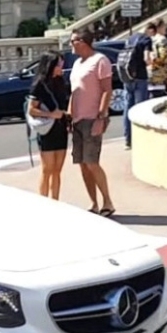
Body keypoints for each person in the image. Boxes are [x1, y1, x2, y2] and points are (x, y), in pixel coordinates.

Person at [68, 28, 115, 216]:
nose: (71, 44)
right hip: (77, 120)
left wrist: (101, 116)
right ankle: (93, 203)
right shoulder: (77, 64)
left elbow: (106, 90)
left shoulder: (100, 61)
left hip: (92, 119)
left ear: (83, 42)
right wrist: (69, 117)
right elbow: (74, 92)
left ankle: (108, 202)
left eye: (73, 41)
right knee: (82, 163)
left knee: (92, 162)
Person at [26, 52, 70, 200]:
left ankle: (56, 201)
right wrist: (51, 114)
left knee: (58, 170)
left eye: (62, 64)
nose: (61, 67)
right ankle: (44, 202)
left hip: (61, 128)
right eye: (58, 64)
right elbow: (32, 109)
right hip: (47, 130)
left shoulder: (61, 81)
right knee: (47, 170)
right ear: (50, 65)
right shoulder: (39, 84)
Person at [118, 24, 153, 148]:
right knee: (140, 108)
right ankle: (141, 139)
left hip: (127, 77)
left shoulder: (130, 38)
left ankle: (128, 140)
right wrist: (153, 62)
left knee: (128, 107)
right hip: (140, 77)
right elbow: (147, 58)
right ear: (150, 30)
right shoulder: (146, 39)